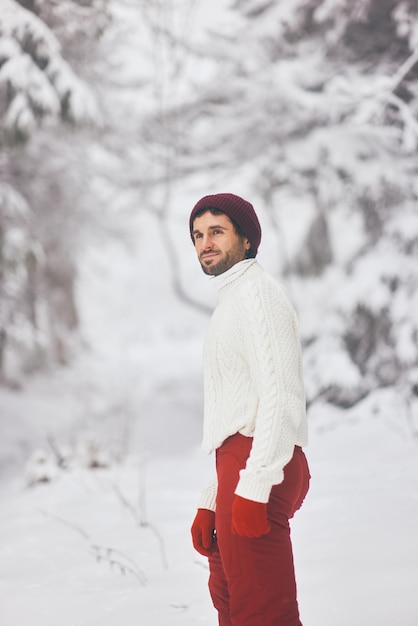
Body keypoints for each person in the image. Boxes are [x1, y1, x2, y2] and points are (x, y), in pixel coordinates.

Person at [189, 193, 310, 626]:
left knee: (263, 614)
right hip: (238, 466)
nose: (205, 242)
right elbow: (238, 410)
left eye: (217, 231)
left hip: (262, 464)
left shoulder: (258, 296)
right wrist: (211, 499)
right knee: (232, 603)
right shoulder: (233, 300)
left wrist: (256, 484)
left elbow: (281, 395)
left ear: (246, 240)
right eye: (198, 235)